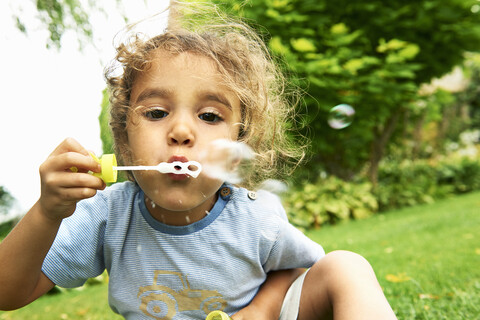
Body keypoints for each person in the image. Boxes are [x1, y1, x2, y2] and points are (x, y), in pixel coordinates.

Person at [0, 2, 397, 319]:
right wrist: (48, 213)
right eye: (156, 113)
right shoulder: (106, 216)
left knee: (345, 266)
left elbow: (298, 270)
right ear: (124, 138)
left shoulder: (255, 218)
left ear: (238, 142)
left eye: (209, 116)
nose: (181, 132)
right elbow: (7, 293)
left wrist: (259, 311)